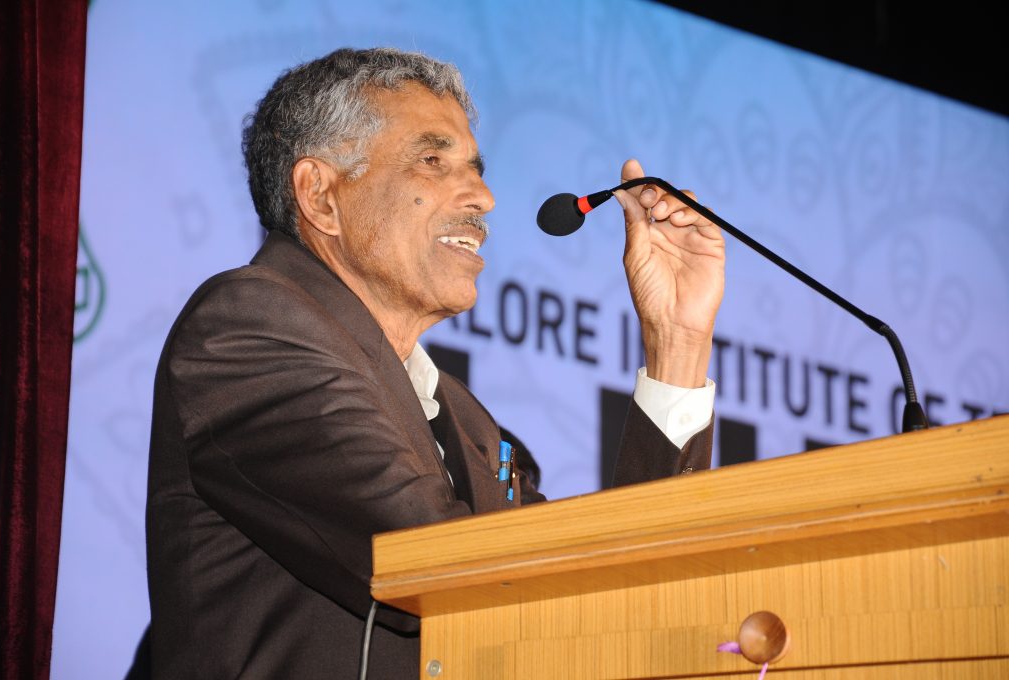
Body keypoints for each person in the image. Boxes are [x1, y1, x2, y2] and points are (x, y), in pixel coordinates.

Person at [145, 47, 724, 679]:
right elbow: (426, 552)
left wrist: (676, 342)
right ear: (320, 196)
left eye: (475, 169)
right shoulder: (249, 327)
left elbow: (610, 599)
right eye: (432, 161)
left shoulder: (465, 417)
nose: (484, 197)